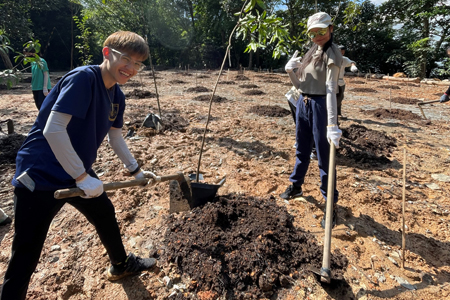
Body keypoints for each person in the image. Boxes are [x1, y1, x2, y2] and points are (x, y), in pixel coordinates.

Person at [2, 31, 156, 300]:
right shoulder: (83, 78)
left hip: (75, 169)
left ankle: (120, 265)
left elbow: (116, 137)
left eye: (138, 64)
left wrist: (135, 170)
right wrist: (82, 176)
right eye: (126, 59)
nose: (131, 68)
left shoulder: (117, 96)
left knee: (104, 214)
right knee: (26, 251)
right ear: (107, 53)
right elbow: (53, 130)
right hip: (40, 173)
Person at [280, 12, 343, 229]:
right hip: (303, 104)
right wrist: (290, 71)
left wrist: (332, 124)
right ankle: (296, 185)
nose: (317, 36)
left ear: (331, 29)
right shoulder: (310, 52)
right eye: (313, 33)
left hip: (321, 106)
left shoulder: (332, 53)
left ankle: (330, 203)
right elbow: (300, 87)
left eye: (322, 31)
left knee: (325, 157)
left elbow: (331, 89)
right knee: (302, 149)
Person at [336, 45, 358, 119]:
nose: (341, 54)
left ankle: (338, 113)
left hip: (340, 81)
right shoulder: (331, 58)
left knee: (340, 97)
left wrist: (353, 66)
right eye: (340, 52)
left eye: (343, 52)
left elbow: (351, 62)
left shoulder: (344, 59)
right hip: (331, 81)